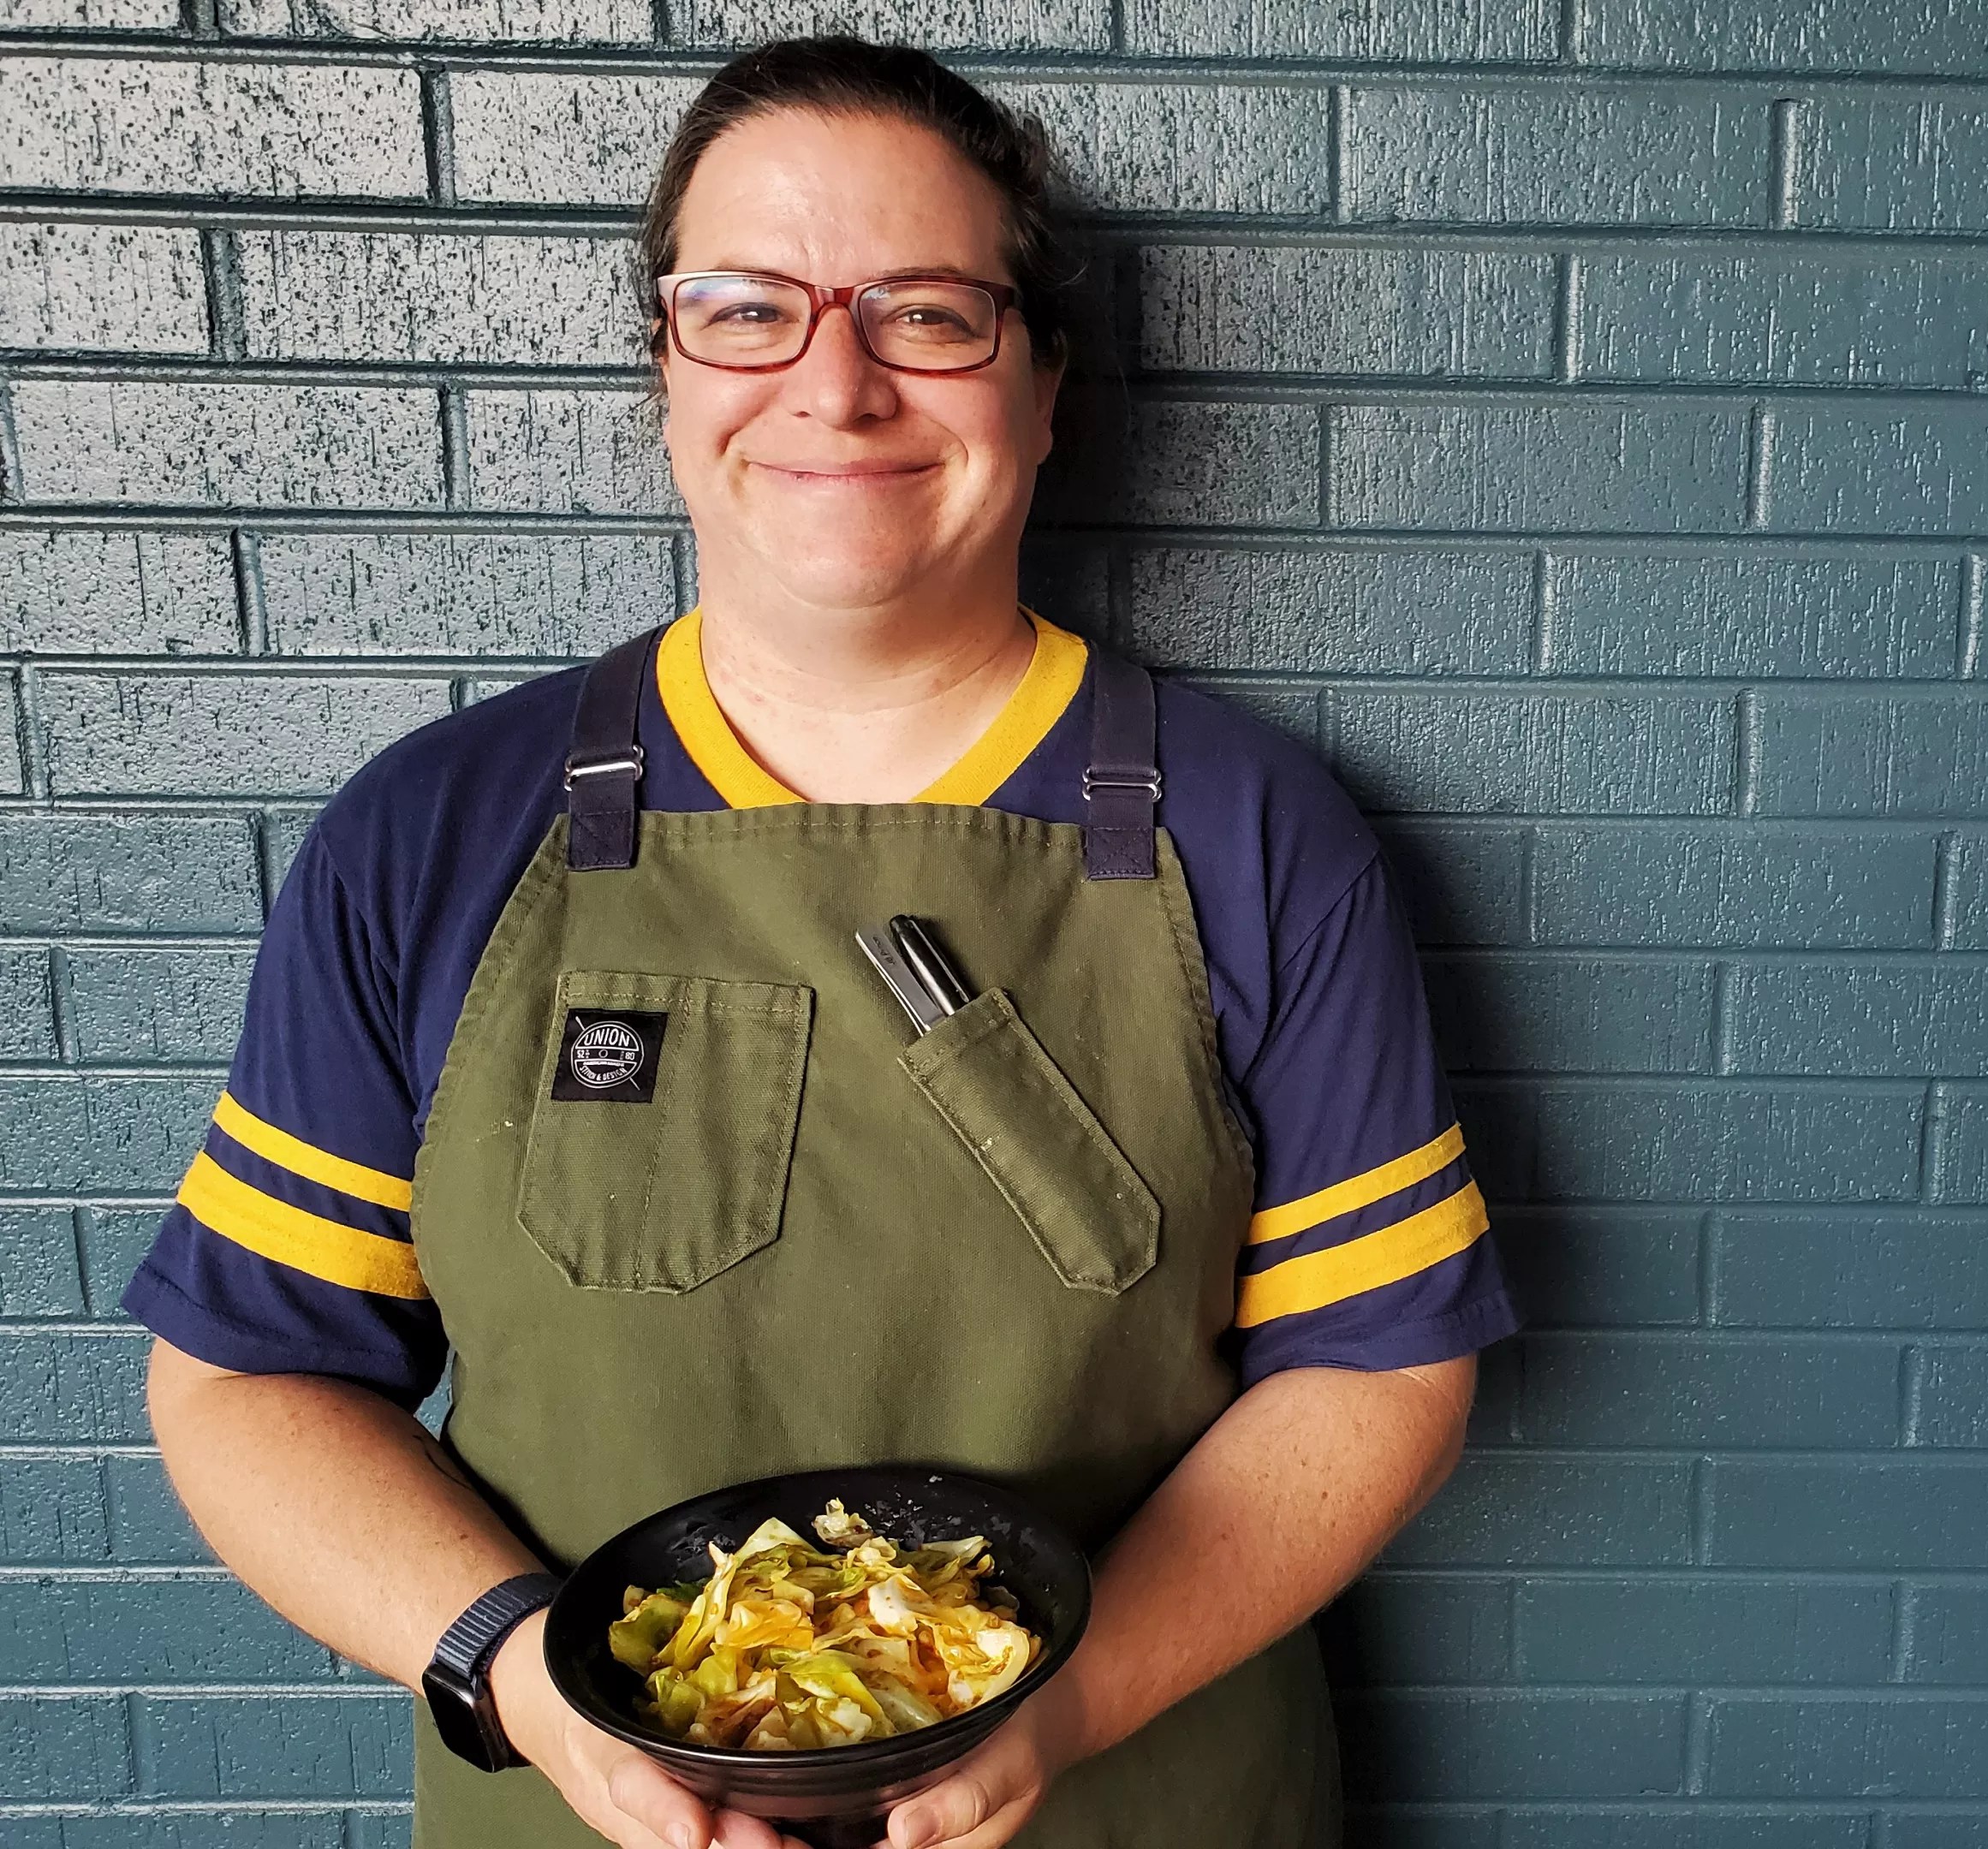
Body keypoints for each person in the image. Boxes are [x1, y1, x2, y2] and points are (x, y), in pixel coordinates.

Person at [122, 35, 1518, 1849]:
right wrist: (522, 1676)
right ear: (665, 366)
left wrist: (1070, 1696)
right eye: (747, 309)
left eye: (927, 314)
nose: (835, 385)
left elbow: (1379, 1360)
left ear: (1041, 382)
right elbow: (250, 1372)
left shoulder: (1255, 835)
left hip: (1139, 1794)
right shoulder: (434, 834)